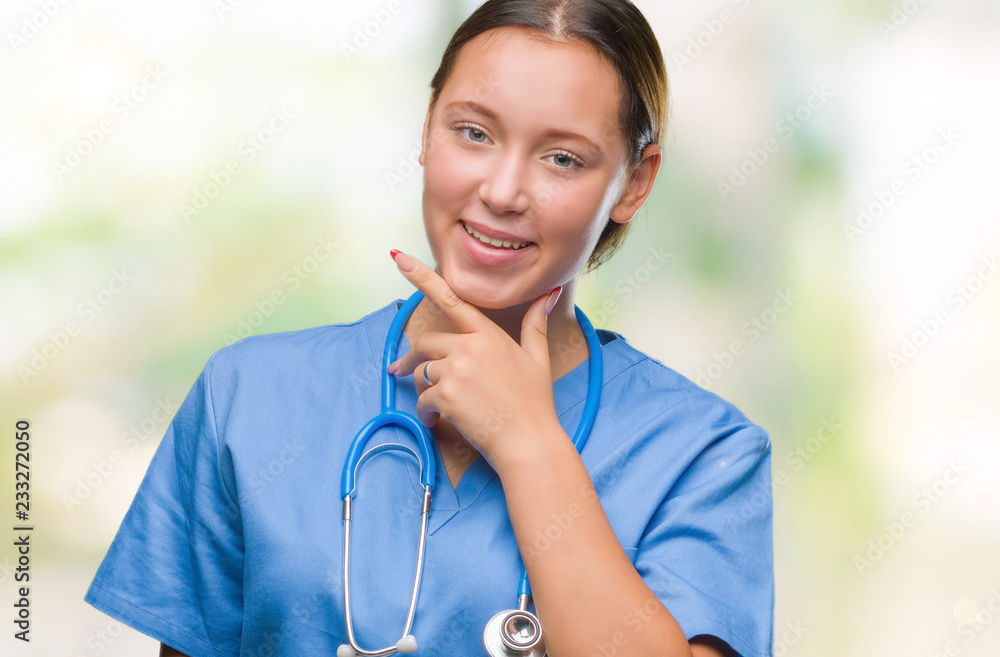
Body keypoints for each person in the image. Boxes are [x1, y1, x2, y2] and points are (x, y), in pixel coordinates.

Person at [85, 1, 774, 656]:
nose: (503, 192)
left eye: (562, 157)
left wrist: (529, 444)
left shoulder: (706, 453)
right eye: (473, 132)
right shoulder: (246, 397)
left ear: (633, 183)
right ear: (426, 128)